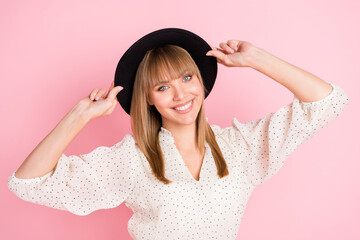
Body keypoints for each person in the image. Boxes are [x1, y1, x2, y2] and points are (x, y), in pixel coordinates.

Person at [8, 28, 349, 239]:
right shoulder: (131, 159)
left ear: (201, 80)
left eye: (187, 78)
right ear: (148, 98)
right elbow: (27, 183)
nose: (180, 95)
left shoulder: (241, 146)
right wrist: (80, 114)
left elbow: (328, 101)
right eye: (163, 86)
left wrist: (258, 59)